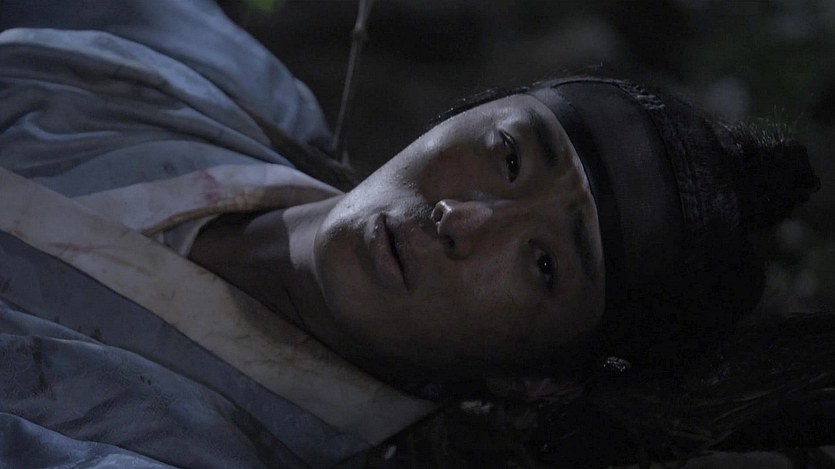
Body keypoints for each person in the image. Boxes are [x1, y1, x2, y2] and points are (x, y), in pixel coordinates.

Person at [0, 0, 820, 468]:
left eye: (542, 263)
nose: (464, 219)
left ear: (536, 381)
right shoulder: (218, 80)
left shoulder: (211, 451)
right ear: (465, 112)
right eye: (506, 154)